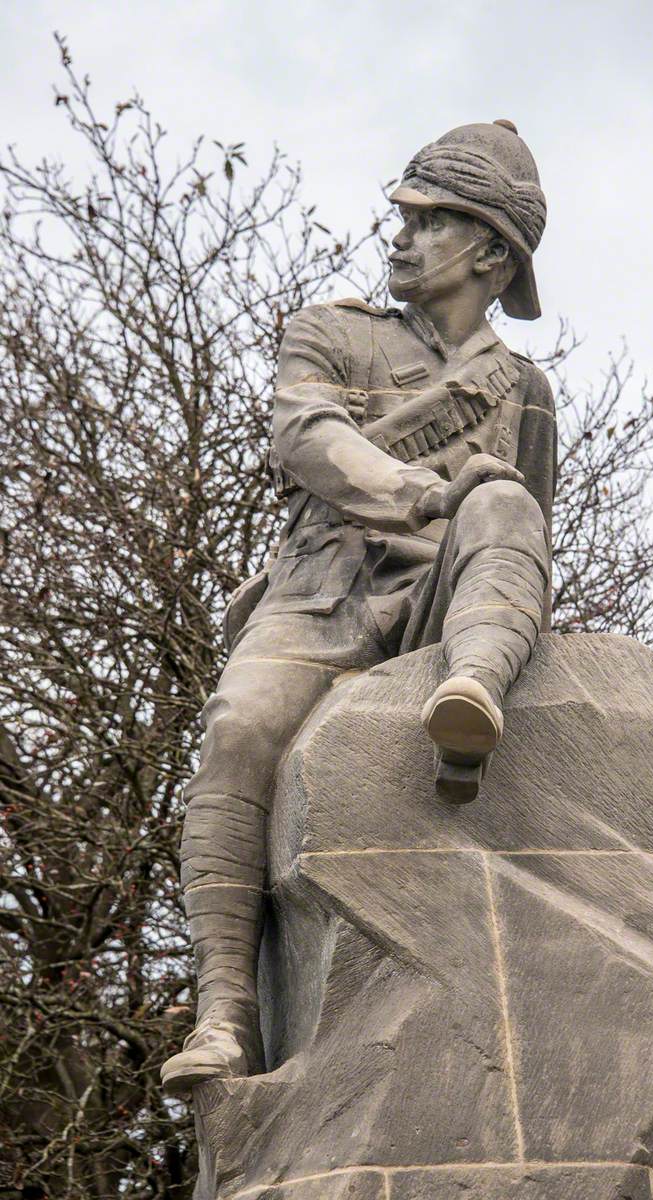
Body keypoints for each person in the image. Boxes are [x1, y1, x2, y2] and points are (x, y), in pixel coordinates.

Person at [161, 119, 556, 1094]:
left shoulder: (523, 387)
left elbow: (526, 525)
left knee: (504, 501)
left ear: (487, 251)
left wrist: (474, 523)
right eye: (402, 216)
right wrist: (427, 491)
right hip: (321, 588)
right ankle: (223, 1013)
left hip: (441, 601)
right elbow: (308, 439)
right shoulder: (332, 333)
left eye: (426, 221)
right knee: (239, 728)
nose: (397, 235)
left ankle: (471, 697)